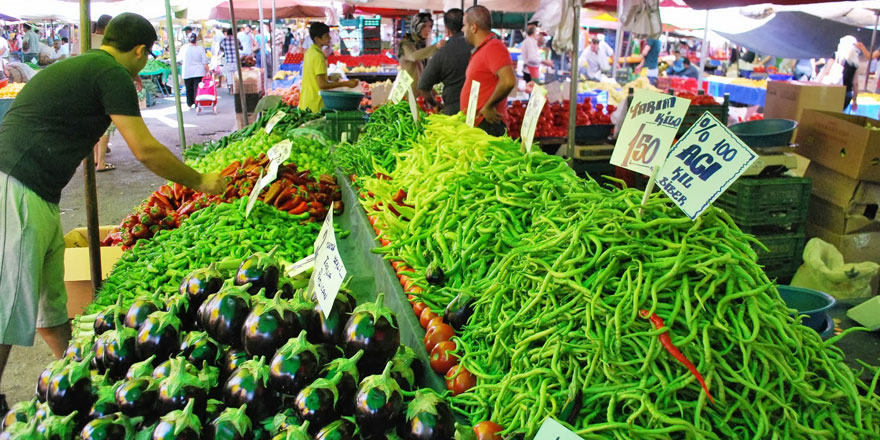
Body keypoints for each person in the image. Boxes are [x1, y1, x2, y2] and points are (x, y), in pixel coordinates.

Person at [0, 12, 225, 413]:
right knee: (7, 304)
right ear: (140, 50)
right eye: (148, 54)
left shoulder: (84, 64)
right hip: (15, 185)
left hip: (38, 191)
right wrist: (202, 181)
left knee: (49, 299)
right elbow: (146, 149)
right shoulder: (112, 73)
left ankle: (75, 373)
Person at [460, 5, 515, 137]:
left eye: (464, 25)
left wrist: (489, 105)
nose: (463, 29)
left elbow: (509, 81)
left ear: (473, 27)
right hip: (478, 125)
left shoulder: (494, 47)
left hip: (488, 125)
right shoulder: (483, 49)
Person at [418, 8, 472, 115]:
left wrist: (434, 104)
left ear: (447, 30)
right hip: (480, 111)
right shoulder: (478, 46)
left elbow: (423, 86)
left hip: (453, 112)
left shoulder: (443, 52)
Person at [299, 22, 359, 113]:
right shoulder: (318, 56)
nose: (329, 38)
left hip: (306, 101)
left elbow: (314, 77)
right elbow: (322, 85)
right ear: (317, 39)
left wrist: (330, 77)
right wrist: (346, 83)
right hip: (316, 104)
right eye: (326, 35)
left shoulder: (309, 52)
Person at [398, 13, 443, 95]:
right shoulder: (406, 44)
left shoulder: (422, 43)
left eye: (430, 26)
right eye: (424, 26)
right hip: (407, 92)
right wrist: (436, 46)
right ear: (416, 26)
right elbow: (414, 56)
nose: (428, 30)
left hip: (419, 92)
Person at [182, 33, 209, 109]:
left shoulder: (184, 48)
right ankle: (197, 103)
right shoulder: (200, 48)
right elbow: (205, 61)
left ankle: (189, 103)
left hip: (187, 71)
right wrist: (207, 71)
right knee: (197, 88)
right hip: (198, 71)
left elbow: (179, 59)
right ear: (196, 39)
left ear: (188, 39)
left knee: (189, 88)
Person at [837, 36, 861, 111]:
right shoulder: (855, 63)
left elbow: (827, 72)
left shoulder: (837, 58)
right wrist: (854, 100)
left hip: (833, 91)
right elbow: (855, 83)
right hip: (847, 93)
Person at [219, 28, 241, 95]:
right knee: (237, 76)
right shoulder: (237, 40)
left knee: (229, 76)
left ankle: (231, 90)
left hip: (228, 60)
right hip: (236, 60)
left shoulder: (223, 40)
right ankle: (237, 90)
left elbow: (221, 48)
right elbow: (241, 47)